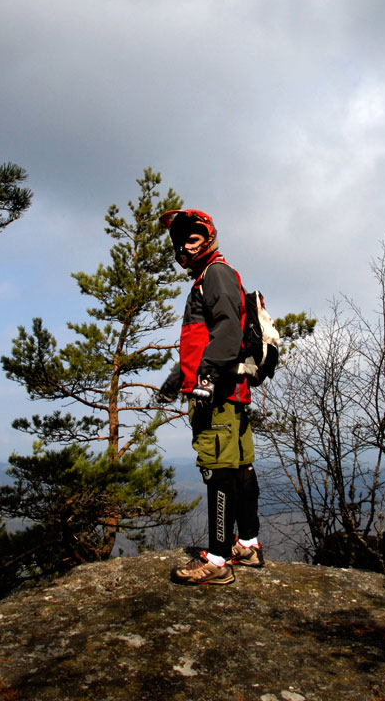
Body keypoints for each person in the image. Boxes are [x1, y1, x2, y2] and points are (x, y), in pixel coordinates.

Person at [157, 208, 263, 586]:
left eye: (192, 236)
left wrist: (205, 378)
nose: (185, 244)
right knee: (239, 468)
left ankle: (217, 560)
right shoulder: (211, 276)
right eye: (180, 239)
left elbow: (228, 333)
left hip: (216, 395)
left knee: (218, 472)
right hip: (230, 392)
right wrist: (175, 380)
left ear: (209, 236)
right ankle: (247, 545)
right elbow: (201, 344)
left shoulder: (214, 274)